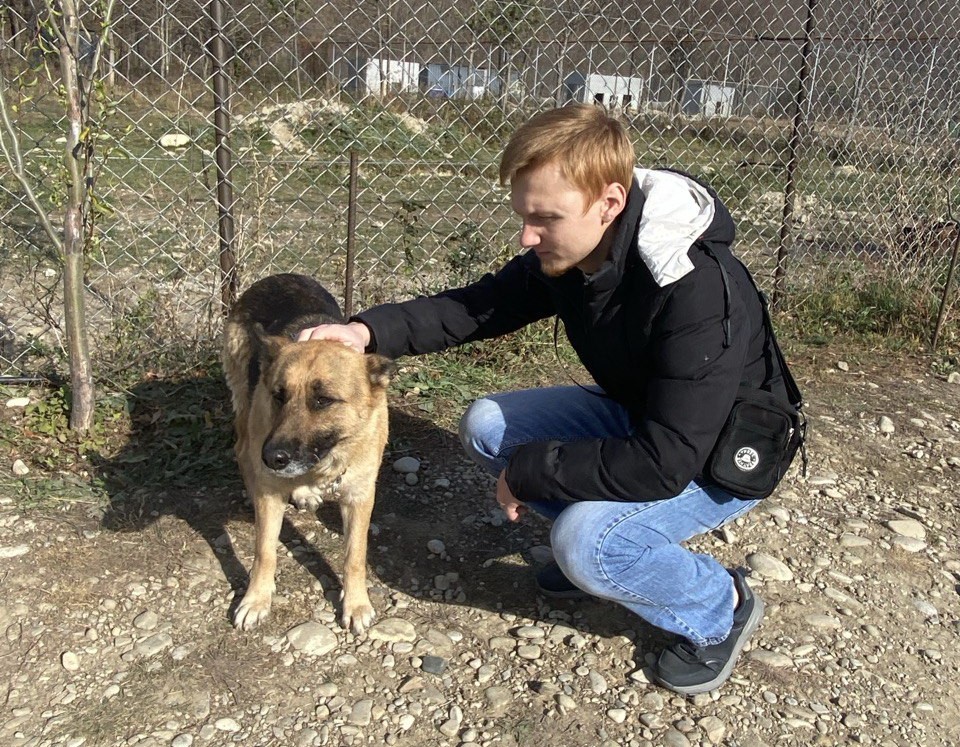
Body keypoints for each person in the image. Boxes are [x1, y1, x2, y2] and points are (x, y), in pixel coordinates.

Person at [297, 103, 794, 695]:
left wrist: (533, 473)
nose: (526, 237)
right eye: (522, 216)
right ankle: (607, 554)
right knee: (489, 425)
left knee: (587, 542)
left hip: (721, 452)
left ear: (609, 203)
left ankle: (720, 606)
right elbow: (476, 307)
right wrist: (365, 332)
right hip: (646, 418)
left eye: (545, 219)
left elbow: (668, 459)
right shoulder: (576, 251)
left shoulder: (694, 288)